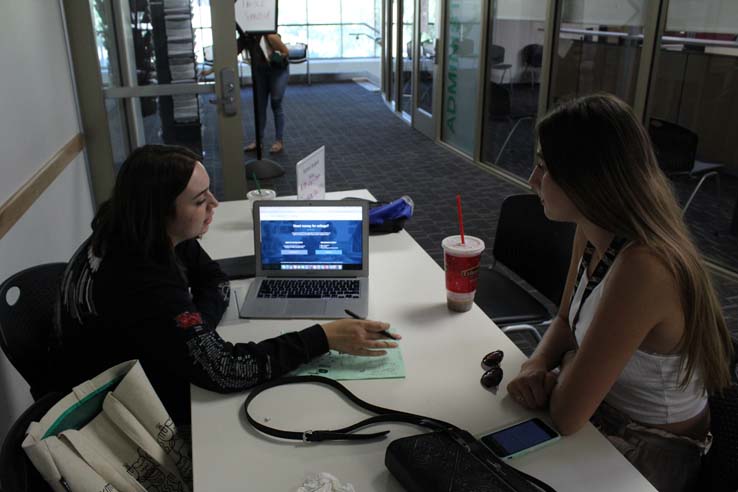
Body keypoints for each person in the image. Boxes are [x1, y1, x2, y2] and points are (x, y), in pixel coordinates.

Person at [52, 144, 399, 426]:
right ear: (161, 210)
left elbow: (214, 281)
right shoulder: (143, 276)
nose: (214, 205)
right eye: (200, 201)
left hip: (138, 358)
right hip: (111, 407)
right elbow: (226, 371)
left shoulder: (142, 222)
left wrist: (197, 330)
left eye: (209, 193)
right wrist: (324, 337)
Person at [506, 94, 733, 491]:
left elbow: (567, 414)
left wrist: (570, 359)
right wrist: (536, 364)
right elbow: (563, 321)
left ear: (588, 179)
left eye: (544, 167)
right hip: (604, 411)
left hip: (651, 448)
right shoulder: (592, 229)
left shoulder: (644, 267)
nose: (532, 180)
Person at [243, 33, 290, 154]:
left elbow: (286, 52)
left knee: (276, 102)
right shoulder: (248, 39)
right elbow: (230, 55)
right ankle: (258, 141)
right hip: (260, 72)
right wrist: (212, 70)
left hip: (277, 71)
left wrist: (276, 56)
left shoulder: (270, 37)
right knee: (260, 106)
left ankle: (279, 141)